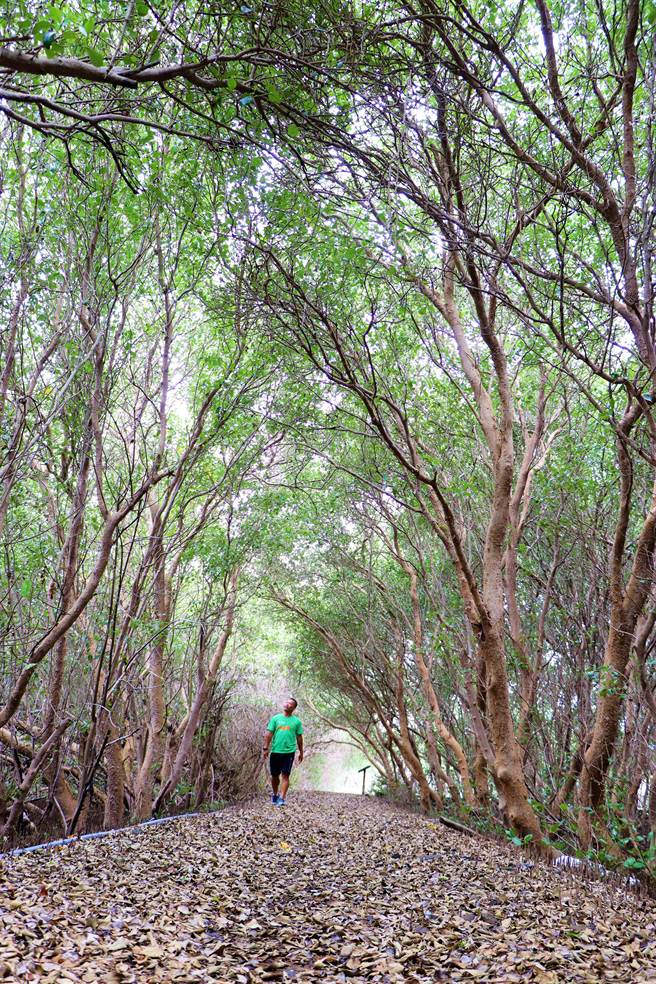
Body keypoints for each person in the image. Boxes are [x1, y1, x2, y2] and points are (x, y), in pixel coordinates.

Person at [263, 697, 304, 806]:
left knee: (285, 775)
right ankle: (275, 794)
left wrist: (301, 752)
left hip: (289, 752)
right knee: (274, 776)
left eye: (291, 704)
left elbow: (299, 737)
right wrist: (265, 748)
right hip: (276, 751)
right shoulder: (275, 719)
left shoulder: (296, 722)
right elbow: (269, 733)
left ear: (294, 708)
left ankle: (282, 798)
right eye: (286, 702)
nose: (287, 705)